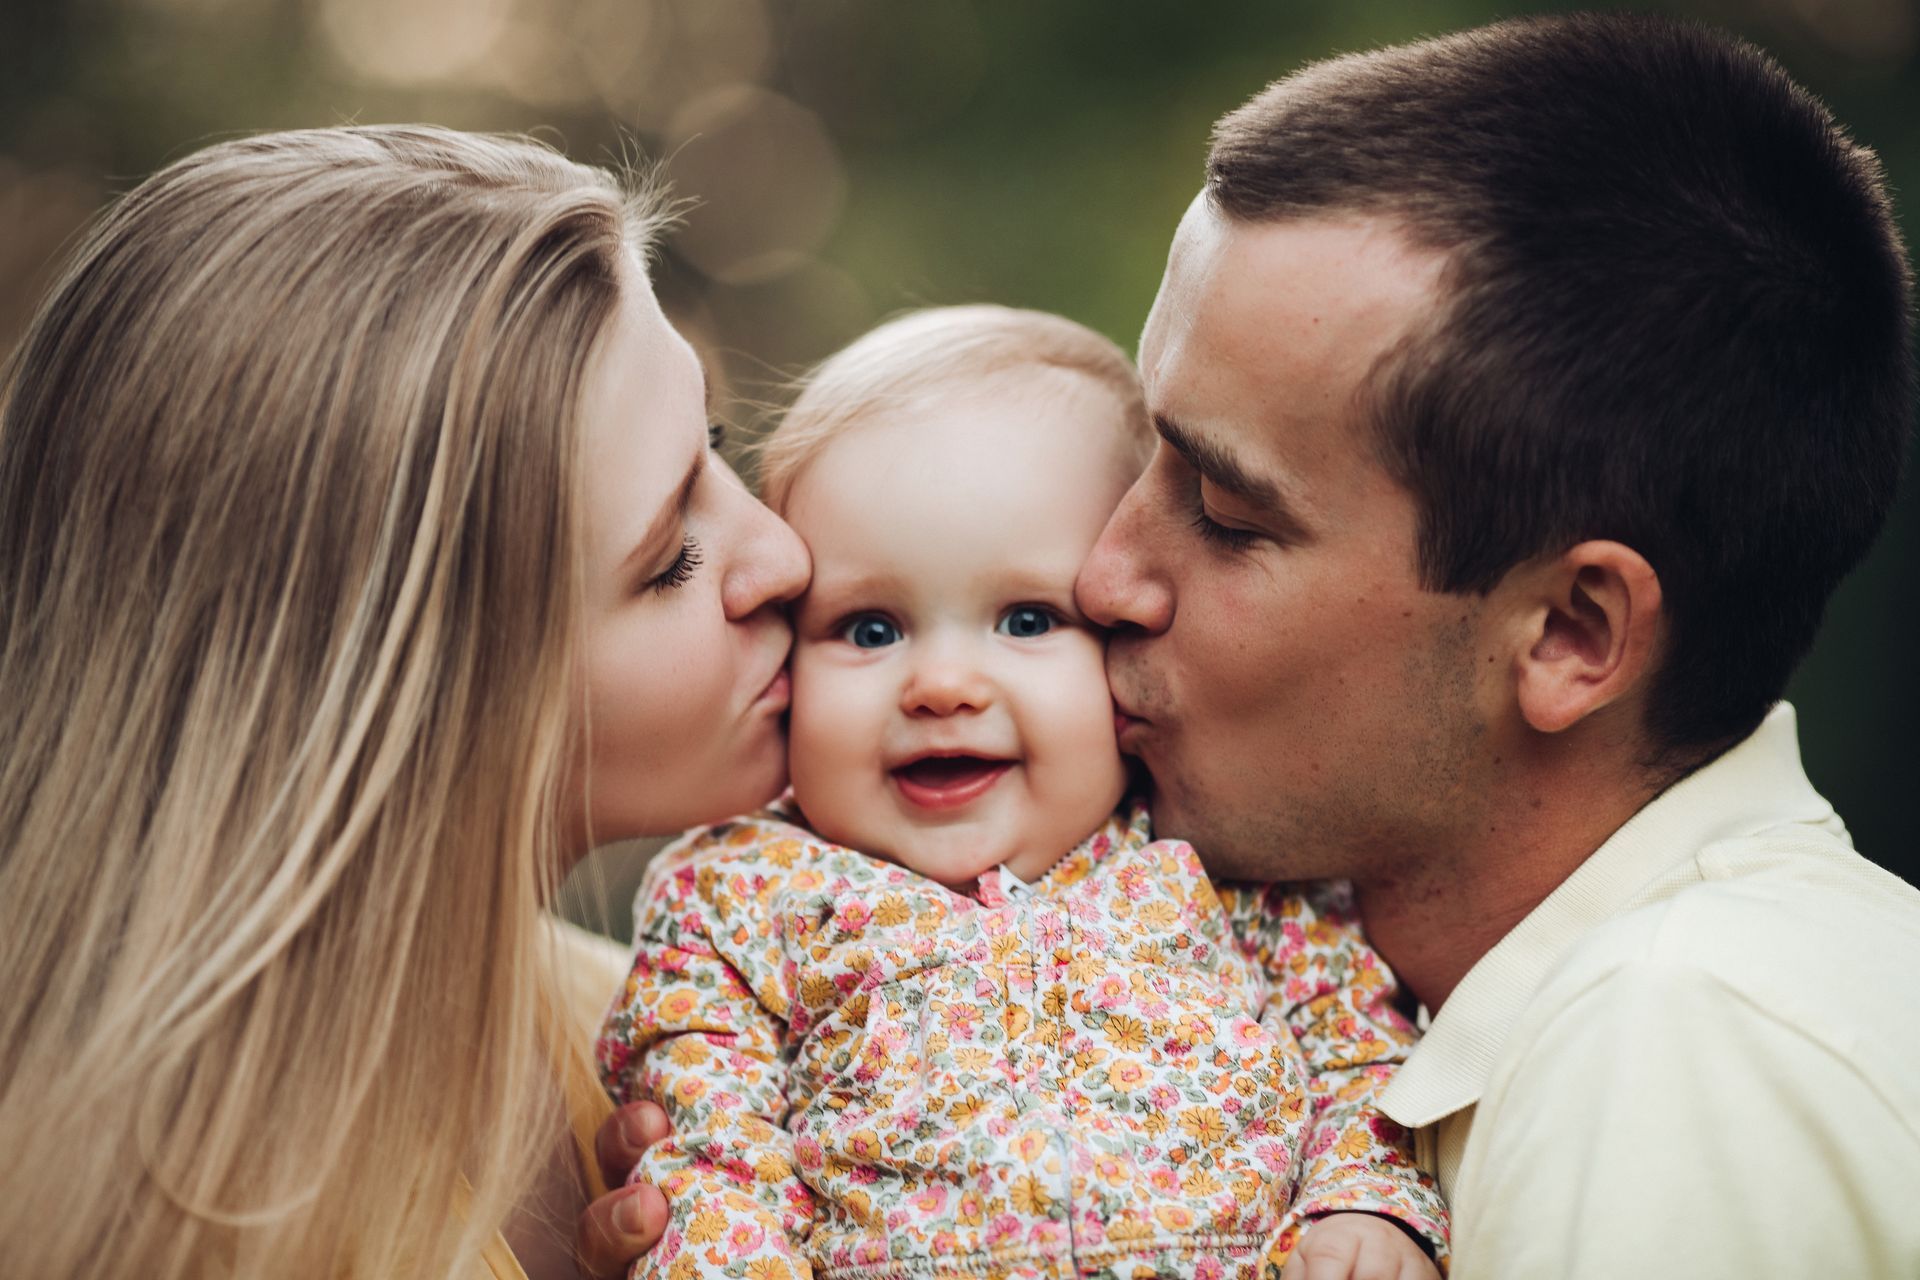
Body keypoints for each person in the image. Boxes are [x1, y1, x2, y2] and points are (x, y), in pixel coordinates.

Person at [585, 14, 1920, 1279]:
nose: (1106, 575)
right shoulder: (1455, 1003)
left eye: (1225, 514)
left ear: (1568, 634)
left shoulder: (1679, 1059)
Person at [0, 125, 809, 1280]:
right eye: (670, 552)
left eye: (718, 447)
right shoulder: (202, 1236)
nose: (780, 552)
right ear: (407, 699)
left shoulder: (666, 1033)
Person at [595, 306, 1447, 1280]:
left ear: (1126, 641)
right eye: (871, 629)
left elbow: (1361, 1058)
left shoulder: (1222, 868)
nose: (942, 684)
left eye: (1029, 617)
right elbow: (715, 1158)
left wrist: (1368, 1210)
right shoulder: (740, 899)